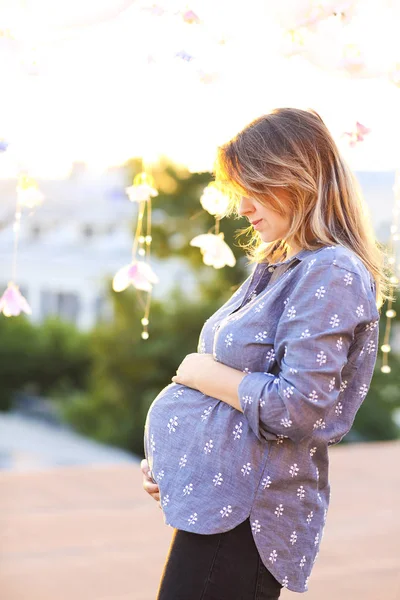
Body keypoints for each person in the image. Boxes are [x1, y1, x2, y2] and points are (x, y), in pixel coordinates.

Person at [140, 107, 391, 599]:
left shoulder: (331, 270)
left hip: (248, 519)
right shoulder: (280, 264)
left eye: (251, 187)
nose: (242, 207)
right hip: (222, 508)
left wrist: (198, 372)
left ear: (294, 178)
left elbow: (296, 408)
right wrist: (179, 458)